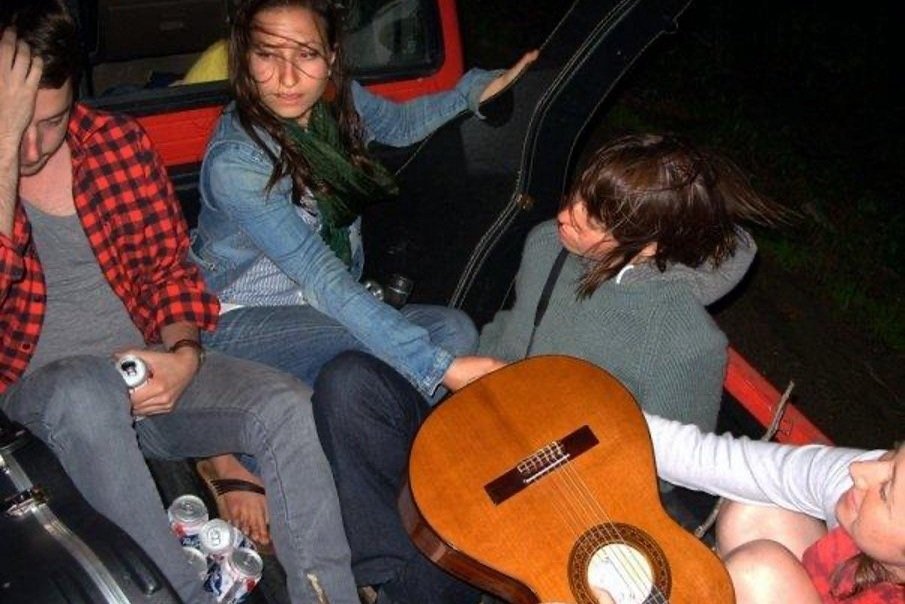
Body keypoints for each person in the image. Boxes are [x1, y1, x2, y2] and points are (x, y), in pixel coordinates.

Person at [311, 132, 784, 603]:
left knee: (453, 536)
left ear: (648, 246)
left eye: (592, 220)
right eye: (577, 196)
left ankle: (412, 583)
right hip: (481, 423)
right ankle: (390, 570)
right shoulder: (547, 245)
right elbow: (509, 327)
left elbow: (668, 472)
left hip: (550, 497)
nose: (564, 217)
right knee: (349, 382)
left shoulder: (687, 339)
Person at [0, 2, 359, 602]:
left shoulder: (114, 144)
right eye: (17, 124)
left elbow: (170, 272)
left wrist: (184, 354)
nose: (35, 145)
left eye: (52, 122)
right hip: (43, 393)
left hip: (150, 376)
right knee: (87, 392)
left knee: (286, 408)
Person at [190, 0, 535, 545]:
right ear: (243, 58)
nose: (285, 77)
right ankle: (226, 448)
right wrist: (439, 368)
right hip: (235, 321)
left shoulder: (335, 101)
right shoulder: (238, 161)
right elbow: (322, 278)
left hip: (316, 311)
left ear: (331, 58)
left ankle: (355, 450)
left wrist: (475, 92)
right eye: (267, 55)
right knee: (412, 350)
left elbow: (400, 124)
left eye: (304, 55)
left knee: (455, 330)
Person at [645, 413, 904, 604]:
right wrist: (616, 419)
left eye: (885, 490)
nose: (858, 469)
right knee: (750, 511)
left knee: (758, 573)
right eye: (892, 454)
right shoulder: (863, 475)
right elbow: (726, 463)